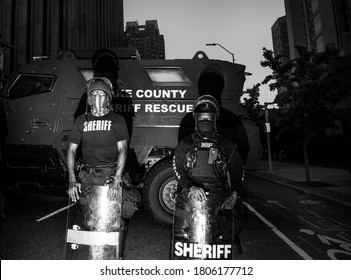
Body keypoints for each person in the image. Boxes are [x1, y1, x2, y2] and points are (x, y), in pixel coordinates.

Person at [172, 95, 244, 259]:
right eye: (202, 117)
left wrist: (233, 196)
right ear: (195, 119)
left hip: (219, 198)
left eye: (209, 117)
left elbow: (238, 171)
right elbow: (178, 168)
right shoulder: (186, 143)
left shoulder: (226, 144)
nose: (205, 120)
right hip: (190, 197)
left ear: (215, 119)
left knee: (218, 245)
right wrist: (190, 187)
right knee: (186, 243)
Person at [66, 76, 130, 259]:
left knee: (114, 221)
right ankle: (89, 258)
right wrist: (72, 180)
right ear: (89, 98)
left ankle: (115, 257)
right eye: (94, 94)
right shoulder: (81, 120)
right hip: (87, 175)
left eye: (102, 94)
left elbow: (123, 150)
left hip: (110, 174)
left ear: (109, 97)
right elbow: (71, 150)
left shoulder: (118, 120)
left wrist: (117, 180)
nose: (98, 98)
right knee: (87, 220)